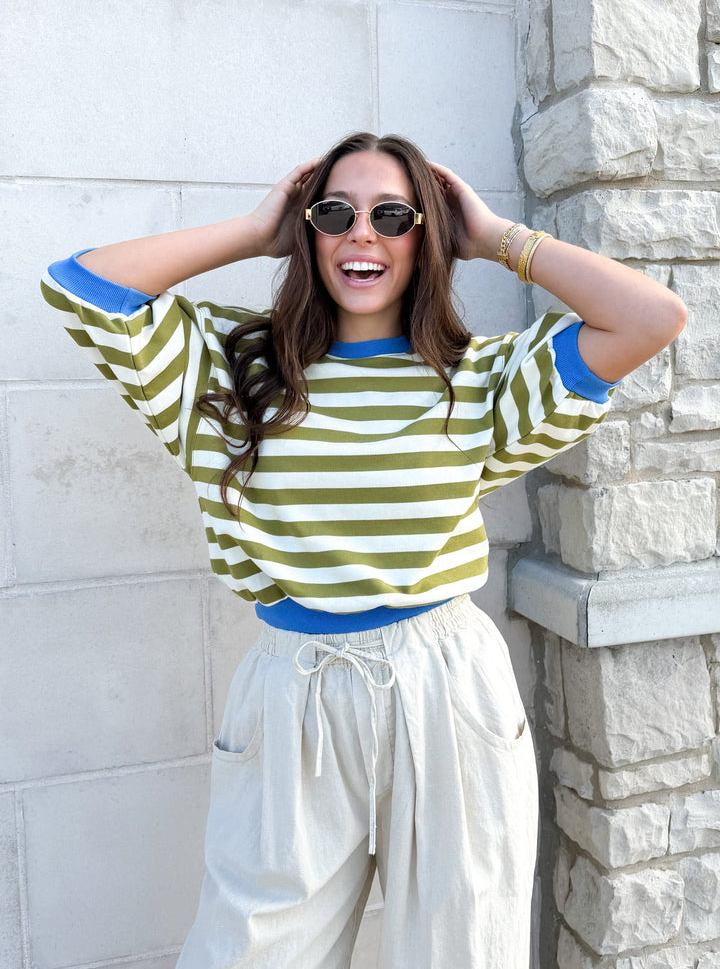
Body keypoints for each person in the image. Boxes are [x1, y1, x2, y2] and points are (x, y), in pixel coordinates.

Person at [42, 132, 686, 969]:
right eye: (335, 213)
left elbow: (649, 316)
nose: (362, 234)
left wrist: (493, 238)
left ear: (428, 233)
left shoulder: (477, 379)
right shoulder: (237, 367)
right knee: (247, 951)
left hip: (444, 684)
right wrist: (254, 229)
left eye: (392, 215)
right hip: (293, 690)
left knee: (463, 949)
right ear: (307, 232)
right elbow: (83, 286)